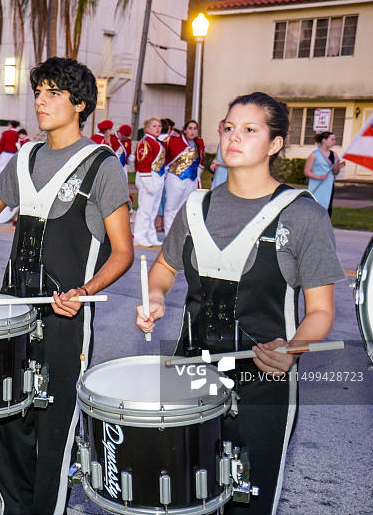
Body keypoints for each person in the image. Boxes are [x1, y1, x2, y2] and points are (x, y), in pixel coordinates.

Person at [136, 92, 345, 515]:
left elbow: (321, 311)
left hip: (263, 381)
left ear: (275, 144)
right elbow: (163, 268)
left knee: (248, 503)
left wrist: (292, 349)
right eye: (229, 127)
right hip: (190, 374)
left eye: (250, 129)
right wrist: (154, 297)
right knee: (183, 497)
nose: (234, 137)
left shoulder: (303, 215)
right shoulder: (195, 206)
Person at [0, 56, 134, 515]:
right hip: (11, 313)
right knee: (2, 417)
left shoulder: (101, 166)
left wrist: (86, 291)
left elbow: (122, 252)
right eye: (38, 92)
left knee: (54, 430)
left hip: (64, 318)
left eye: (53, 93)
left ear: (79, 104)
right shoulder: (25, 157)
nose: (41, 100)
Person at [162, 120, 203, 234]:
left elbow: (201, 162)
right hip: (175, 178)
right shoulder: (174, 141)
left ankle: (180, 234)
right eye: (190, 128)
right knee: (171, 207)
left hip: (191, 180)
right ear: (184, 130)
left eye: (195, 128)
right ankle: (169, 234)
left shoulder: (199, 143)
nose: (192, 131)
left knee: (184, 208)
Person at [133, 117, 165, 246]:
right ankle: (139, 236)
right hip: (148, 177)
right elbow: (143, 163)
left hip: (157, 177)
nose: (158, 128)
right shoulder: (146, 142)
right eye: (154, 126)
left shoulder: (156, 142)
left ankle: (150, 235)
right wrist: (148, 183)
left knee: (153, 210)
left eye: (159, 126)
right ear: (146, 128)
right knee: (145, 209)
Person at [305, 131, 345, 216]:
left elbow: (335, 172)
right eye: (332, 139)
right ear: (324, 140)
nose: (334, 142)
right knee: (315, 206)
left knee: (327, 207)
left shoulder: (334, 155)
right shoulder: (314, 155)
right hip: (316, 185)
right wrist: (319, 177)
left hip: (329, 185)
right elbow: (307, 171)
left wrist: (338, 167)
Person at [210, 119, 228, 188]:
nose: (218, 130)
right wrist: (213, 164)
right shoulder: (220, 143)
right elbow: (216, 159)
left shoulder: (230, 145)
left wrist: (218, 163)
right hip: (218, 176)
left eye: (220, 127)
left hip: (226, 177)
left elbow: (231, 165)